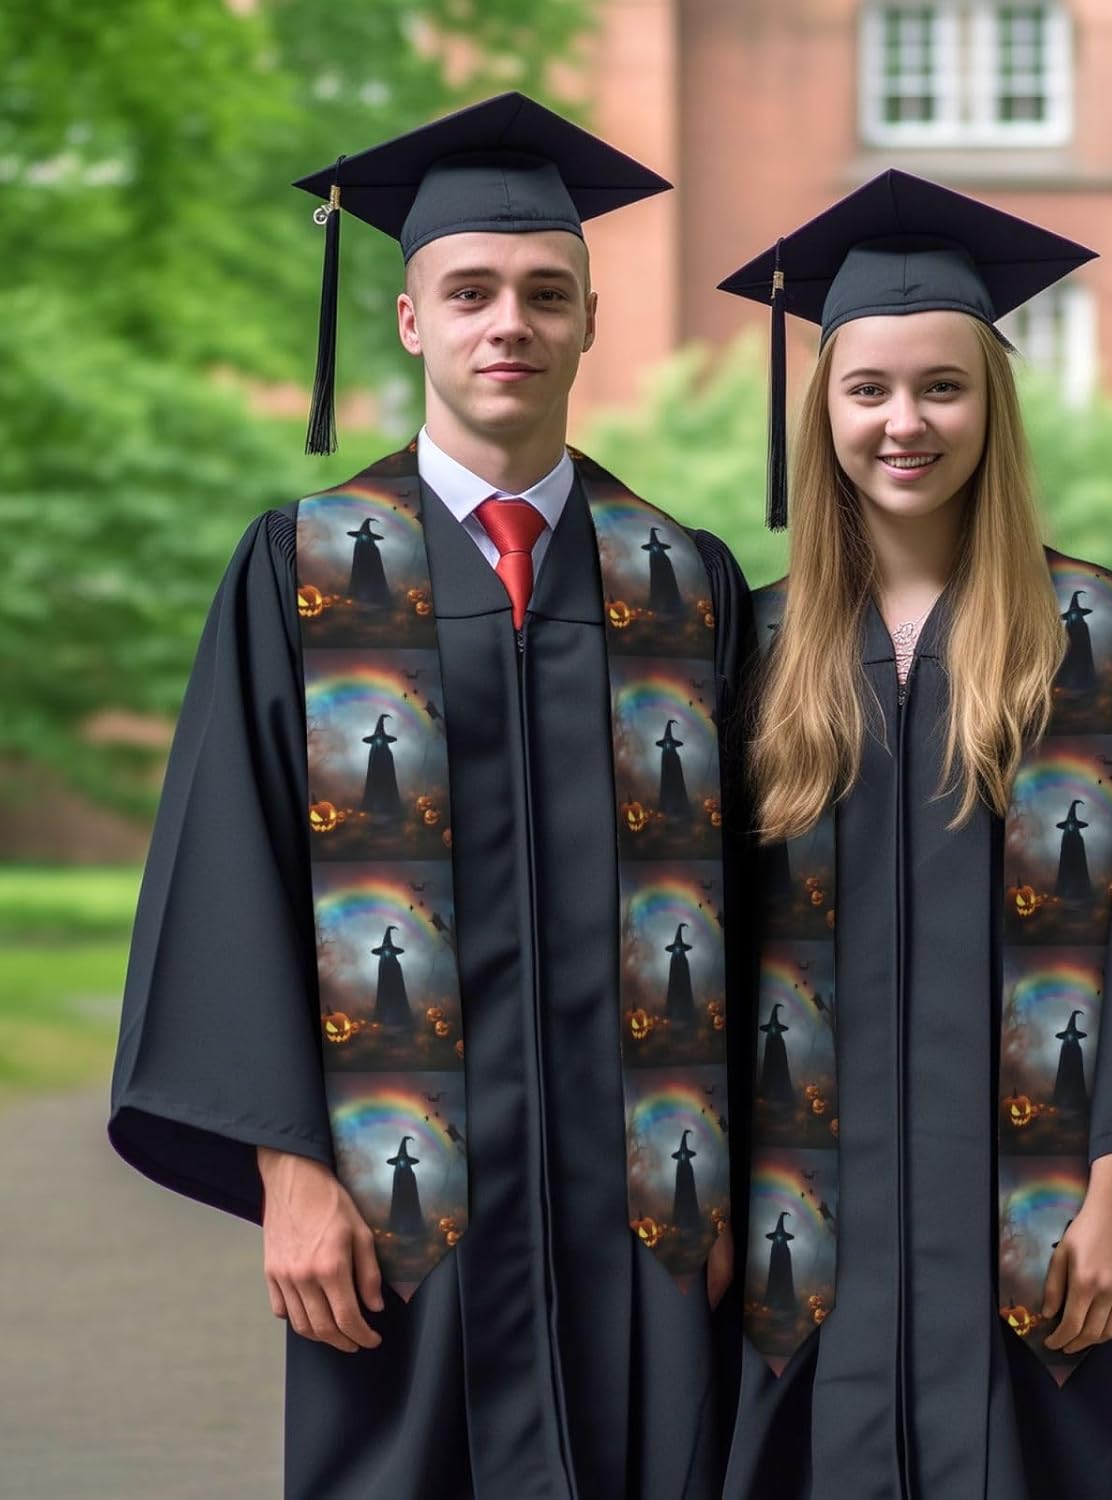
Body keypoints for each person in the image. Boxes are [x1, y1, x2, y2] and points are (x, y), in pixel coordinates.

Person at [109, 93, 750, 1500]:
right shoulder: (306, 567)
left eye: (544, 294)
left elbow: (764, 904)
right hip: (404, 1209)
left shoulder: (681, 581)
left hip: (652, 1210)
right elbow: (230, 872)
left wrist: (747, 1182)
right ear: (411, 321)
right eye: (470, 293)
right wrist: (288, 1172)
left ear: (590, 321)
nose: (507, 323)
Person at [715, 170, 1112, 1498]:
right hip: (801, 1248)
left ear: (993, 407)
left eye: (943, 387)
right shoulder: (753, 648)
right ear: (821, 412)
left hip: (1044, 1239)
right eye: (868, 389)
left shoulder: (1089, 636)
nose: (905, 422)